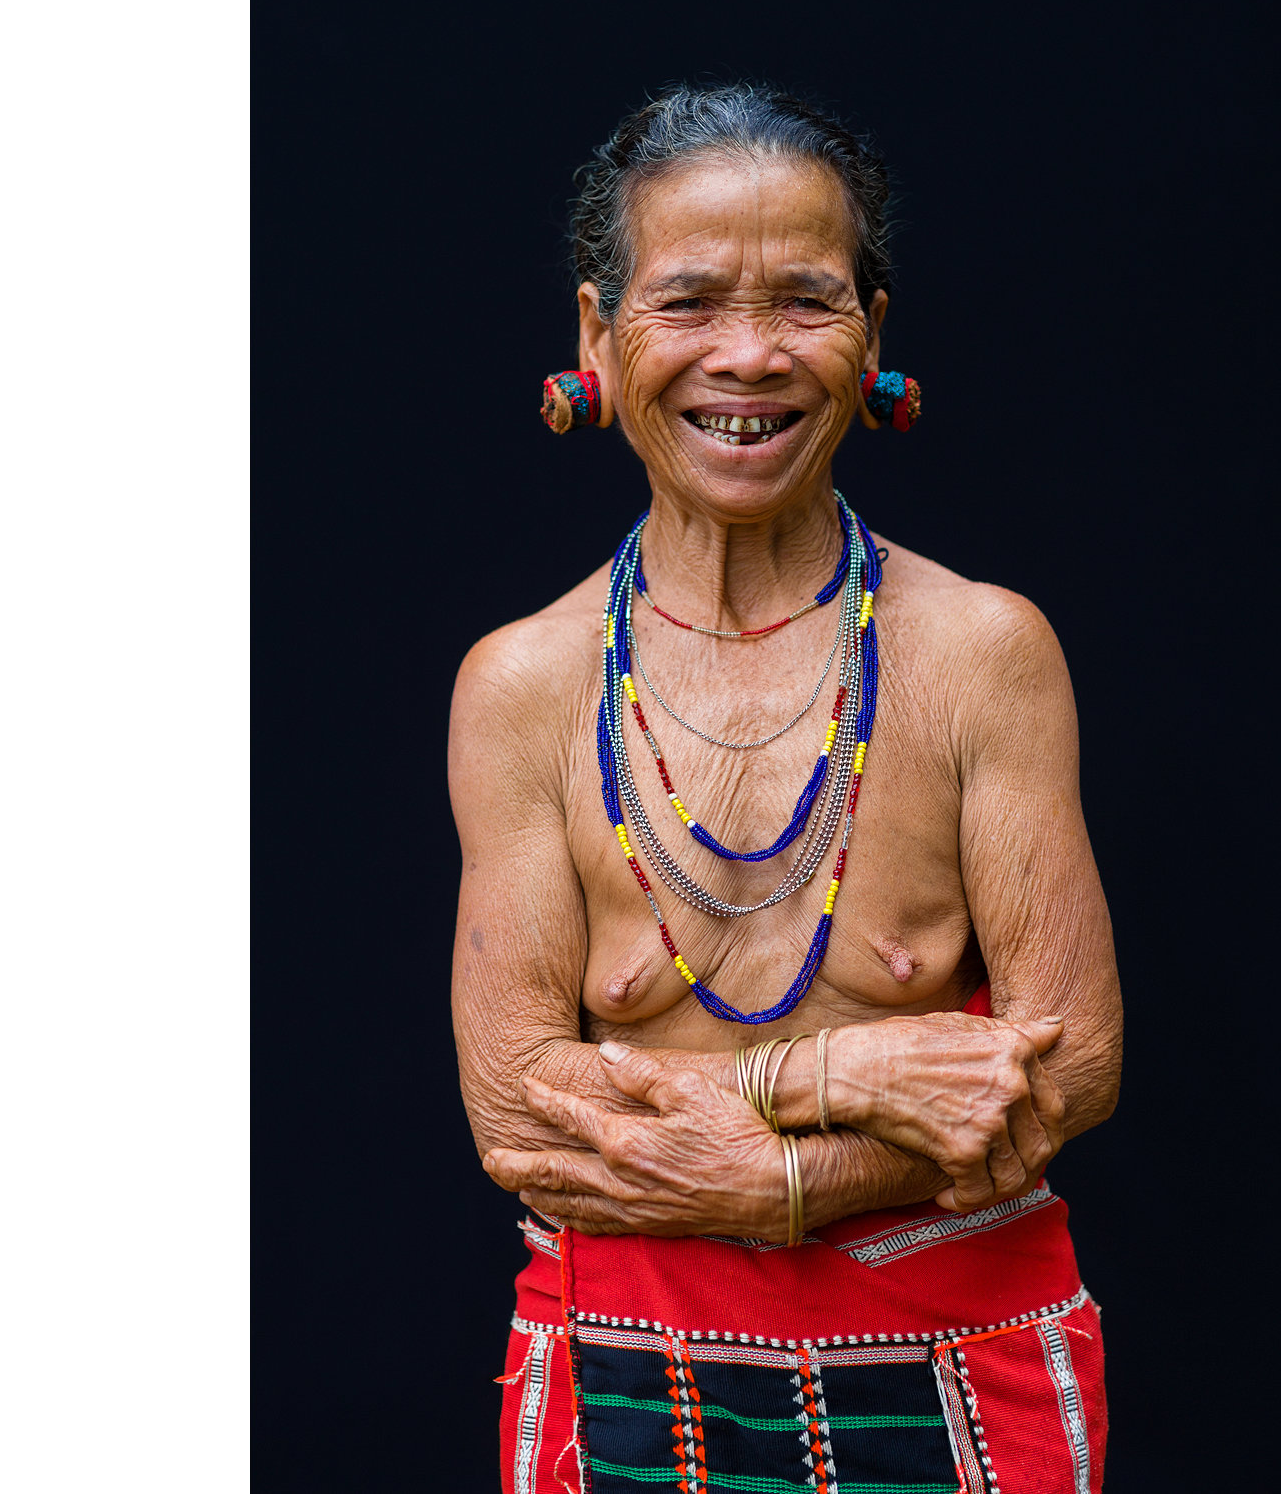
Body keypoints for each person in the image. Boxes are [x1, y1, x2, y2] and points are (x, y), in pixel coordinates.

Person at [451, 84, 1120, 1492]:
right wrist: (862, 1071)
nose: (746, 358)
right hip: (624, 1363)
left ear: (872, 338)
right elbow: (519, 1113)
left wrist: (772, 1181)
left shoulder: (982, 654)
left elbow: (1070, 1063)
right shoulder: (523, 686)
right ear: (597, 337)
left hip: (954, 1361)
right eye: (687, 301)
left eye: (806, 304)